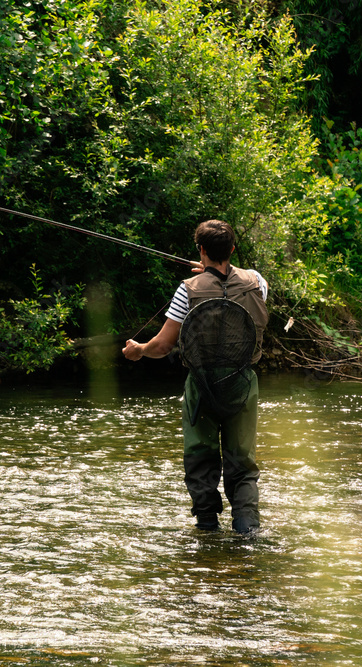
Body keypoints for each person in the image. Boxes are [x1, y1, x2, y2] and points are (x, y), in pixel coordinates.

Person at [122, 220, 269, 534]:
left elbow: (162, 346)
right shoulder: (257, 283)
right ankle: (246, 530)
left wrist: (138, 349)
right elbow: (239, 278)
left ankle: (207, 528)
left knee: (200, 458)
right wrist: (214, 268)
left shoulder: (186, 291)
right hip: (242, 384)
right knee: (242, 462)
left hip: (201, 386)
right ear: (232, 249)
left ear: (201, 250)